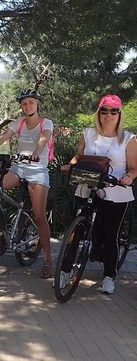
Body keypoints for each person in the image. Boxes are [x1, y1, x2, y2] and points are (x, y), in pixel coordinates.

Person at [60, 94, 137, 294]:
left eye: (114, 111)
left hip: (116, 191)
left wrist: (129, 177)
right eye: (104, 111)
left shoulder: (128, 139)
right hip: (87, 186)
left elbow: (134, 168)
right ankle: (65, 271)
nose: (108, 115)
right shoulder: (88, 134)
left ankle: (109, 276)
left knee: (110, 235)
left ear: (119, 114)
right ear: (99, 113)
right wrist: (70, 165)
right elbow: (78, 157)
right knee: (76, 232)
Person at [0, 89, 53, 278]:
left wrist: (37, 152)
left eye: (31, 102)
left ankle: (47, 261)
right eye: (24, 103)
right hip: (18, 168)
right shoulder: (19, 123)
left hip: (38, 169)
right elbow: (3, 136)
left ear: (37, 104)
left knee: (39, 216)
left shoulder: (46, 123)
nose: (27, 106)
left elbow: (43, 138)